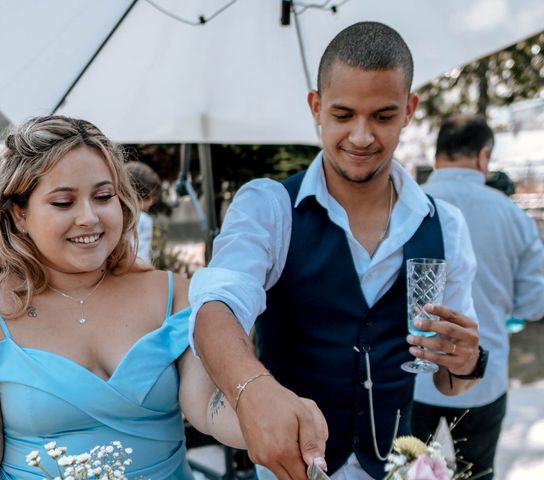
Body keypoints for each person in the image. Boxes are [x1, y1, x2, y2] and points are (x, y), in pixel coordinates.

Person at [189, 22, 484, 480]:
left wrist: (467, 364)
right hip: (291, 469)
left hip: (399, 465)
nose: (362, 137)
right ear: (316, 107)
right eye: (344, 115)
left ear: (409, 110)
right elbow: (217, 306)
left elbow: (447, 382)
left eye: (383, 117)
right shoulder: (269, 206)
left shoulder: (445, 224)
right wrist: (253, 390)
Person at [0, 115, 285, 479]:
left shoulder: (174, 294)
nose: (89, 218)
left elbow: (210, 408)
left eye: (103, 196)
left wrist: (271, 410)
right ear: (18, 215)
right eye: (64, 203)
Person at [413, 114, 544, 479]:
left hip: (413, 374)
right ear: (483, 155)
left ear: (438, 154)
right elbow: (534, 304)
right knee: (477, 473)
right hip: (484, 376)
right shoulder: (513, 216)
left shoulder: (408, 207)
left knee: (402, 471)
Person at [126, 161, 161, 263]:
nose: (152, 202)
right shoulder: (144, 220)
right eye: (152, 196)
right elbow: (142, 257)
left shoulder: (115, 215)